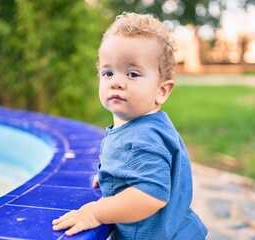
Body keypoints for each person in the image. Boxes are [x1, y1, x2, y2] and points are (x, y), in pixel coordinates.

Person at [52, 12, 208, 239]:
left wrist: (96, 212)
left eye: (132, 73)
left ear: (161, 91)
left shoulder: (145, 138)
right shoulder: (142, 125)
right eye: (108, 73)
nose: (116, 81)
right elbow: (134, 167)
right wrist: (113, 177)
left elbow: (150, 195)